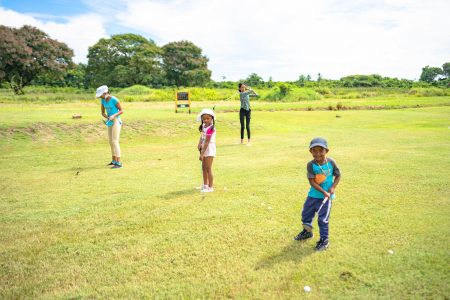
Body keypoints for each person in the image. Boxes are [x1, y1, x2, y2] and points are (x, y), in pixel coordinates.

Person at [294, 137, 341, 251]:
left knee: (322, 219)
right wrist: (323, 191)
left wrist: (333, 187)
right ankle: (307, 232)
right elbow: (312, 181)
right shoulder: (311, 165)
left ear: (327, 151)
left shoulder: (331, 163)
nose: (318, 153)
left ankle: (324, 241)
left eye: (321, 150)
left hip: (326, 198)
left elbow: (338, 175)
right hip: (313, 195)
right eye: (314, 150)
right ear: (310, 152)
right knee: (306, 214)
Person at [96, 85, 124, 169]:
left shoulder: (114, 99)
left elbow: (122, 111)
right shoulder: (102, 100)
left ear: (105, 93)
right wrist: (107, 117)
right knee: (110, 141)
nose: (100, 96)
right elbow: (103, 113)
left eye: (101, 95)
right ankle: (114, 160)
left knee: (115, 141)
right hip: (110, 121)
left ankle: (119, 163)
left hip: (116, 121)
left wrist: (113, 116)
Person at [197, 109, 216, 192]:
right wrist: (199, 143)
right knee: (203, 168)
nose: (206, 120)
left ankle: (210, 187)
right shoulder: (204, 127)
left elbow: (207, 141)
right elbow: (202, 137)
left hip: (209, 148)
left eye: (208, 118)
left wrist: (202, 154)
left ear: (212, 118)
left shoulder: (211, 128)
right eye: (204, 119)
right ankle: (205, 185)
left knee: (208, 168)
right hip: (204, 147)